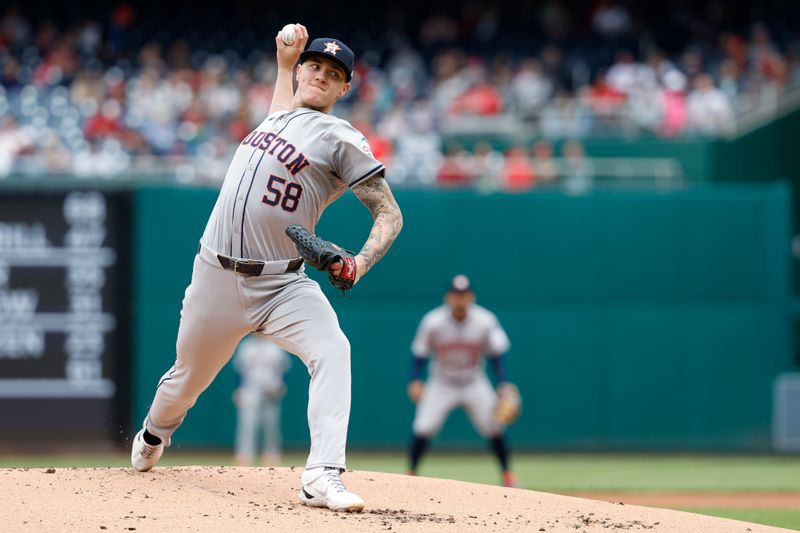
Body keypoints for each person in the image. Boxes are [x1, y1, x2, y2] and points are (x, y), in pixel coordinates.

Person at [130, 24, 403, 513]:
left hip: (282, 283)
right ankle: (154, 434)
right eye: (315, 66)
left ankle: (322, 474)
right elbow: (285, 102)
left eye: (334, 72)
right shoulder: (277, 117)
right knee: (185, 380)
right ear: (302, 73)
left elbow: (389, 213)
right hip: (215, 276)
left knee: (333, 349)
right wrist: (283, 61)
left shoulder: (341, 137)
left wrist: (358, 263)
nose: (322, 74)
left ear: (346, 88)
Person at [406, 275, 519, 488]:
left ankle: (508, 476)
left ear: (471, 296)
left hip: (473, 380)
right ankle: (410, 473)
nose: (460, 299)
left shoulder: (485, 320)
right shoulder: (433, 321)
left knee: (493, 426)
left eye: (464, 294)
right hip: (442, 381)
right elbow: (419, 353)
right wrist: (415, 380)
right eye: (456, 295)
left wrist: (503, 383)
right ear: (448, 297)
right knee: (424, 426)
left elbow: (497, 354)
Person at [232, 334, 290, 466]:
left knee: (271, 424)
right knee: (247, 423)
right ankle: (245, 454)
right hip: (251, 388)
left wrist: (282, 384)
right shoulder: (246, 346)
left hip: (272, 387)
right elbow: (238, 369)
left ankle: (272, 454)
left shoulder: (276, 346)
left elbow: (284, 368)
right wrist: (238, 388)